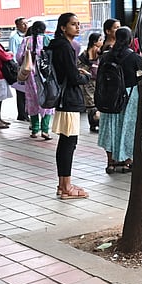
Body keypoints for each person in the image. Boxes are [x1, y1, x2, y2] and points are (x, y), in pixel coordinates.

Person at [49, 13, 92, 200]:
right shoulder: (65, 47)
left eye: (78, 24)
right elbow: (73, 77)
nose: (77, 27)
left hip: (64, 98)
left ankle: (63, 184)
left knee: (66, 143)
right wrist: (86, 77)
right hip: (69, 99)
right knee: (68, 143)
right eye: (73, 24)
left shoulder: (58, 45)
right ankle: (66, 186)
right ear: (63, 27)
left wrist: (76, 71)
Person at [97, 27, 140, 174]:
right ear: (129, 39)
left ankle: (110, 162)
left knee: (110, 128)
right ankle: (127, 161)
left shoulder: (106, 56)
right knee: (127, 127)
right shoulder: (134, 57)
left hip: (109, 96)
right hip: (128, 96)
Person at [18, 21, 55, 139]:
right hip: (45, 75)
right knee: (47, 100)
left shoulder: (26, 40)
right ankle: (45, 130)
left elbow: (18, 57)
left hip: (30, 76)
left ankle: (34, 130)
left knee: (32, 101)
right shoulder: (47, 40)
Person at [78, 32, 102, 132]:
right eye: (100, 40)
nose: (102, 41)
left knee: (95, 102)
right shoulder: (84, 55)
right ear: (94, 42)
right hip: (88, 82)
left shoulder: (101, 53)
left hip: (97, 81)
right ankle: (93, 124)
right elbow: (79, 67)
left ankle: (96, 123)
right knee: (90, 104)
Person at [10, 17, 30, 122]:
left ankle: (27, 113)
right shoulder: (14, 38)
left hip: (28, 68)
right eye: (23, 24)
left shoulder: (28, 37)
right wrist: (18, 69)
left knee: (28, 92)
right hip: (20, 68)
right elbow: (13, 54)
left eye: (26, 23)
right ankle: (22, 114)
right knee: (21, 93)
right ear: (17, 26)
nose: (25, 25)